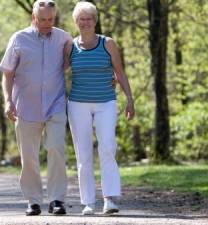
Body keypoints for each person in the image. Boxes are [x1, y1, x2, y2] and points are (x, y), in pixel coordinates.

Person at [0, 0, 72, 216]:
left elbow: (73, 63)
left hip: (55, 104)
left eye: (51, 19)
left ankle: (57, 199)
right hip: (25, 107)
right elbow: (8, 73)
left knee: (56, 148)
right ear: (33, 18)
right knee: (28, 155)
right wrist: (8, 100)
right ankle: (33, 200)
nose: (47, 23)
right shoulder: (19, 39)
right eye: (43, 20)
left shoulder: (63, 38)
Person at [66, 2, 135, 215]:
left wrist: (130, 99)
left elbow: (120, 73)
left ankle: (110, 199)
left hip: (106, 102)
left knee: (107, 147)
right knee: (83, 154)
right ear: (76, 22)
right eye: (81, 19)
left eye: (89, 19)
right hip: (78, 104)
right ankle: (88, 202)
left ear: (95, 21)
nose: (85, 22)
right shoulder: (70, 46)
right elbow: (57, 72)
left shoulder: (108, 44)